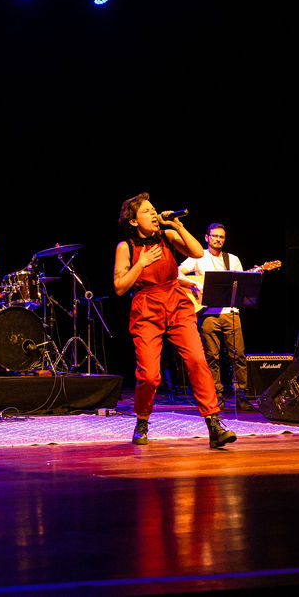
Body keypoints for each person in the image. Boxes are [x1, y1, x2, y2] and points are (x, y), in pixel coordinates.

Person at [113, 192, 236, 448]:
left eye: (153, 209)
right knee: (149, 375)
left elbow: (197, 252)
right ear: (134, 221)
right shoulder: (126, 247)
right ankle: (142, 420)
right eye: (147, 211)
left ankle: (213, 424)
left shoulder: (167, 236)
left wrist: (177, 225)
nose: (153, 213)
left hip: (176, 303)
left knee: (197, 360)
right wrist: (141, 263)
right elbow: (120, 287)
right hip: (147, 308)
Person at [178, 223, 249, 407]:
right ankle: (216, 396)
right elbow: (177, 273)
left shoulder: (232, 259)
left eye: (221, 237)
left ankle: (241, 396)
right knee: (212, 357)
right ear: (207, 237)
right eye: (214, 236)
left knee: (238, 356)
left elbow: (242, 284)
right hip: (208, 313)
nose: (218, 239)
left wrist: (254, 275)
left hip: (230, 312)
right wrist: (194, 284)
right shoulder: (198, 257)